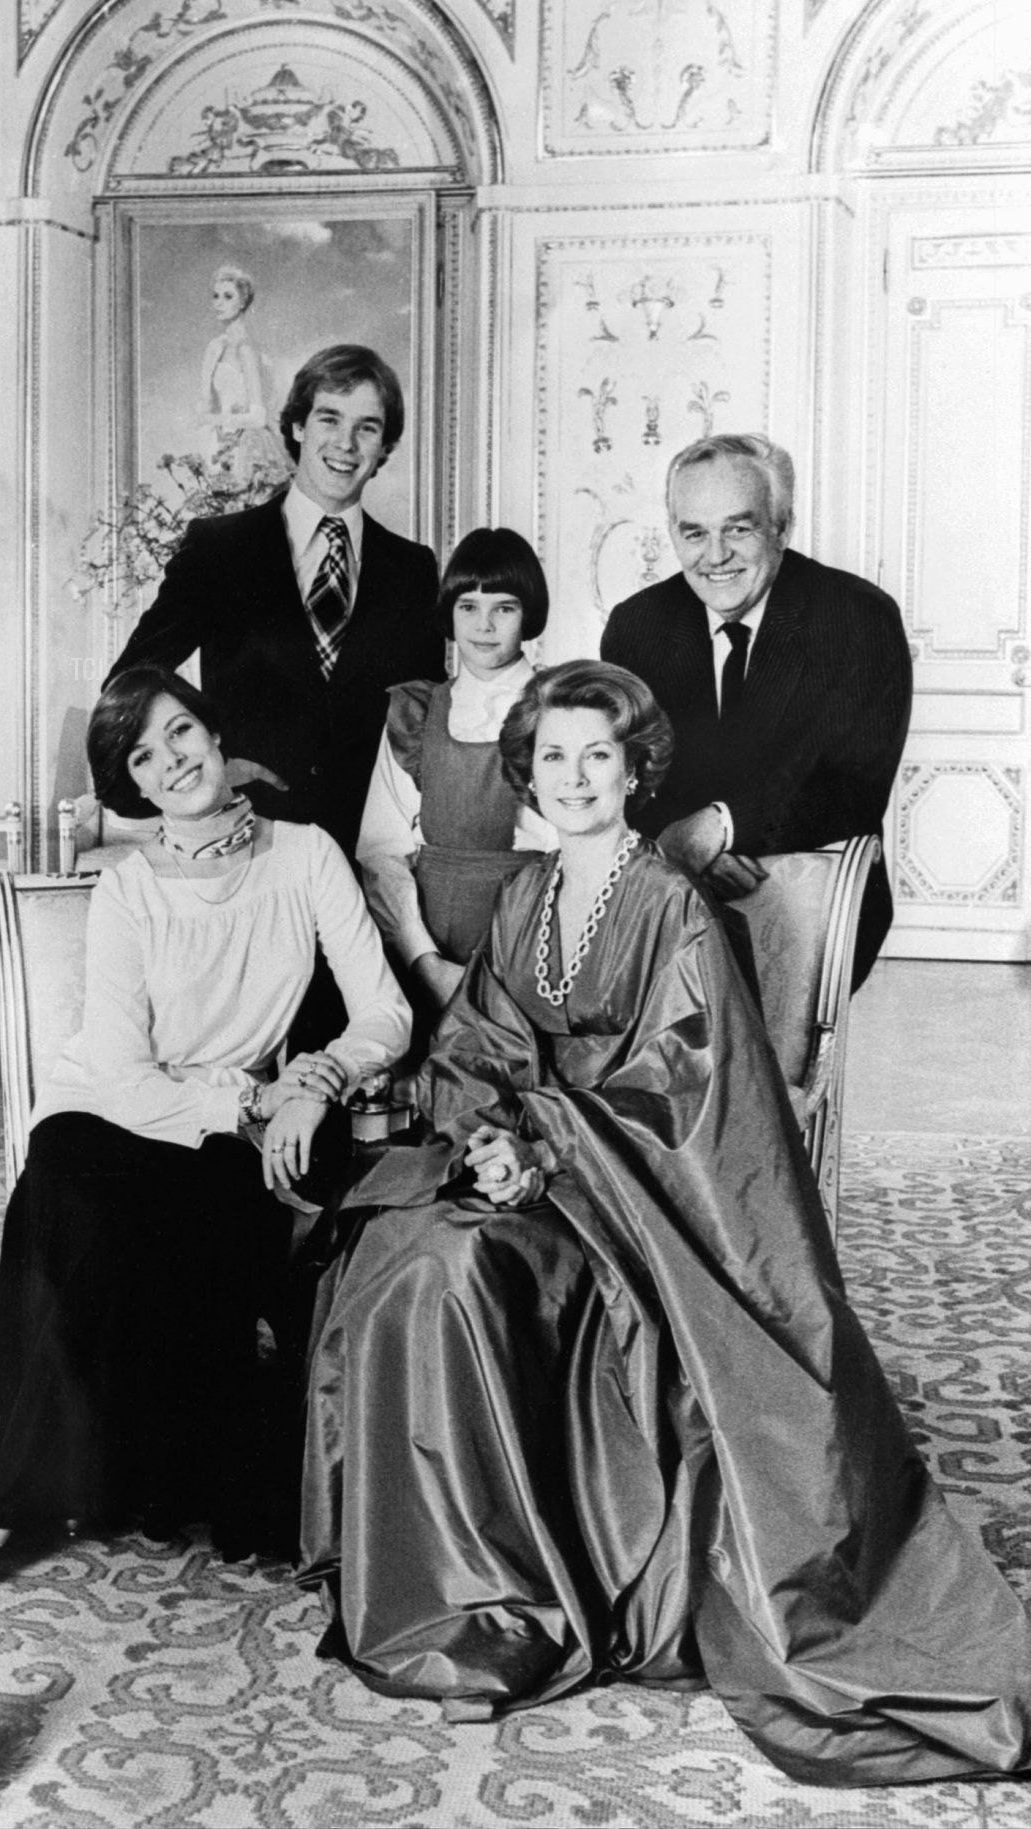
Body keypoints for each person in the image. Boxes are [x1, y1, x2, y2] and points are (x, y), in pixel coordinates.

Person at [299, 659, 1031, 1786]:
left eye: (600, 753)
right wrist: (490, 1131)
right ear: (526, 774)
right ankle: (450, 1587)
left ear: (637, 768)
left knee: (453, 1272)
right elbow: (480, 1045)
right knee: (400, 1244)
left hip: (637, 1205)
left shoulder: (674, 903)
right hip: (536, 1174)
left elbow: (686, 1095)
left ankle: (505, 1603)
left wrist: (540, 1138)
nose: (577, 774)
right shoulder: (524, 896)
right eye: (554, 755)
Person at [0, 667, 409, 1614]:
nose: (172, 760)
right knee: (67, 1182)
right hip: (118, 1108)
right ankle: (0, 1498)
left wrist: (315, 1079)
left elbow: (383, 1010)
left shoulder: (306, 855)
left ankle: (92, 1479)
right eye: (144, 754)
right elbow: (123, 1075)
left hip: (236, 1124)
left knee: (186, 1218)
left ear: (217, 738)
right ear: (132, 784)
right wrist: (249, 1106)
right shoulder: (128, 891)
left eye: (180, 732)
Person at [107, 343, 442, 859]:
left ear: (384, 447)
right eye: (329, 419)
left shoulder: (414, 571)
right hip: (245, 852)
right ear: (298, 427)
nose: (346, 444)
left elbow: (425, 723)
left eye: (367, 427)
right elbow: (128, 686)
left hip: (372, 863)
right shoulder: (220, 550)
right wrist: (204, 777)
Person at [599, 434, 911, 986]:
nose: (715, 556)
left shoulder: (858, 618)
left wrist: (718, 826)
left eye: (738, 528)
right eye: (694, 532)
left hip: (808, 891)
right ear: (673, 532)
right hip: (674, 880)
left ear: (782, 526)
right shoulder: (638, 625)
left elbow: (853, 789)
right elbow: (626, 774)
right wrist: (680, 846)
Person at [356, 527, 557, 1015]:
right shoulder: (418, 712)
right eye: (469, 606)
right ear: (449, 613)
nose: (484, 625)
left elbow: (578, 853)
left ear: (527, 614)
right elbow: (382, 853)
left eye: (503, 608)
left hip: (531, 946)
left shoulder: (562, 708)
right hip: (428, 953)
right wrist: (423, 961)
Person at [199, 263, 292, 501]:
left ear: (243, 302)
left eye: (228, 296)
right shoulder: (214, 347)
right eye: (216, 296)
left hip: (247, 444)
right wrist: (211, 422)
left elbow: (258, 416)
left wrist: (217, 419)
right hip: (218, 443)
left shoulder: (247, 350)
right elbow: (204, 404)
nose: (218, 302)